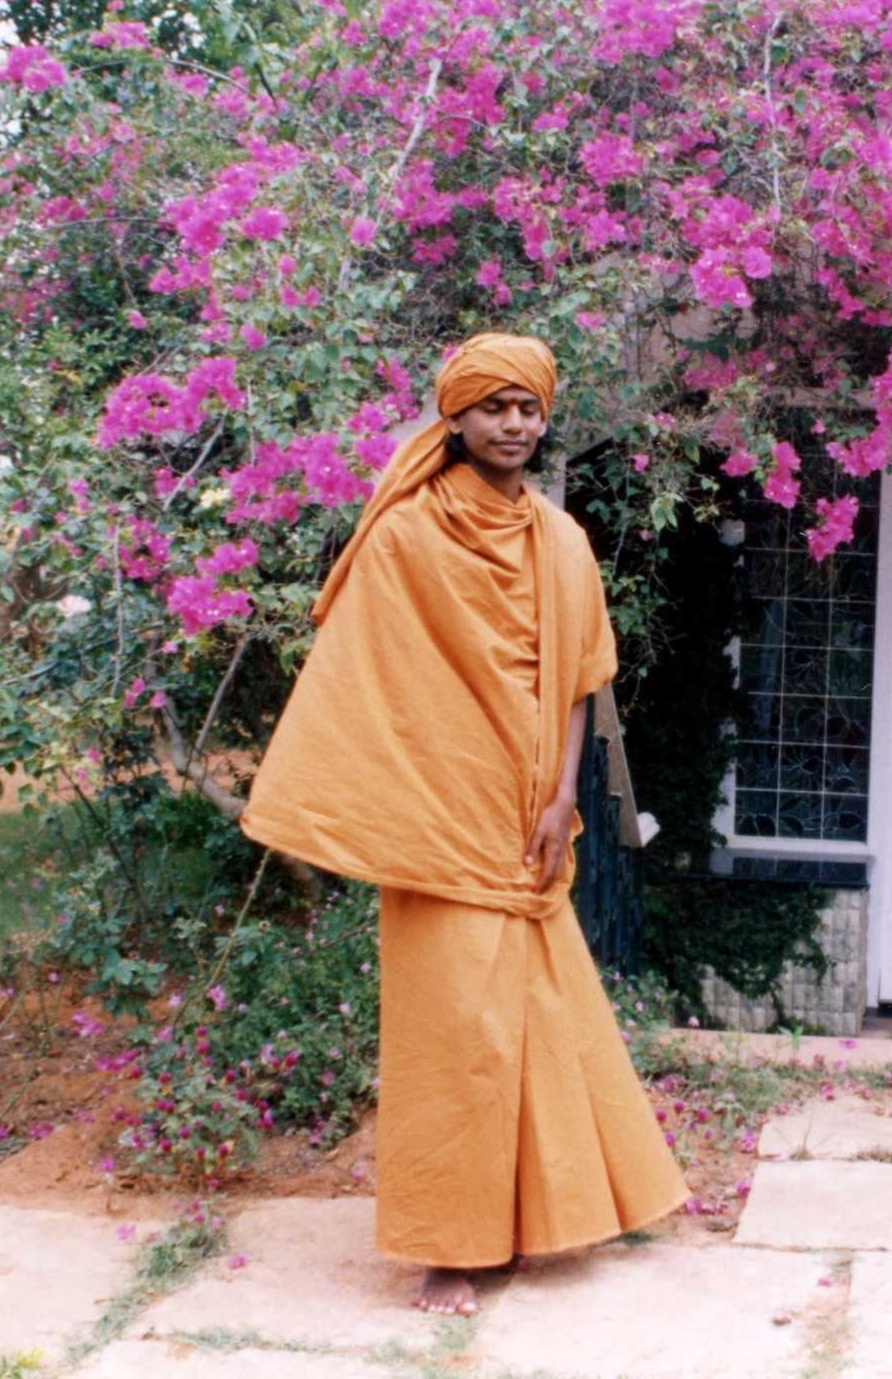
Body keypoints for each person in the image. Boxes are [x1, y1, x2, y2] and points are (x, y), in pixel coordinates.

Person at [239, 332, 691, 1316]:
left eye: (529, 407)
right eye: (495, 406)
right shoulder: (406, 536)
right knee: (453, 1028)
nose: (514, 424)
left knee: (536, 1013)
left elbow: (579, 683)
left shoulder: (561, 543)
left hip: (527, 809)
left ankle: (539, 1216)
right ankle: (449, 1246)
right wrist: (400, 794)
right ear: (456, 416)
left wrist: (562, 795)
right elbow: (369, 681)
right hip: (437, 811)